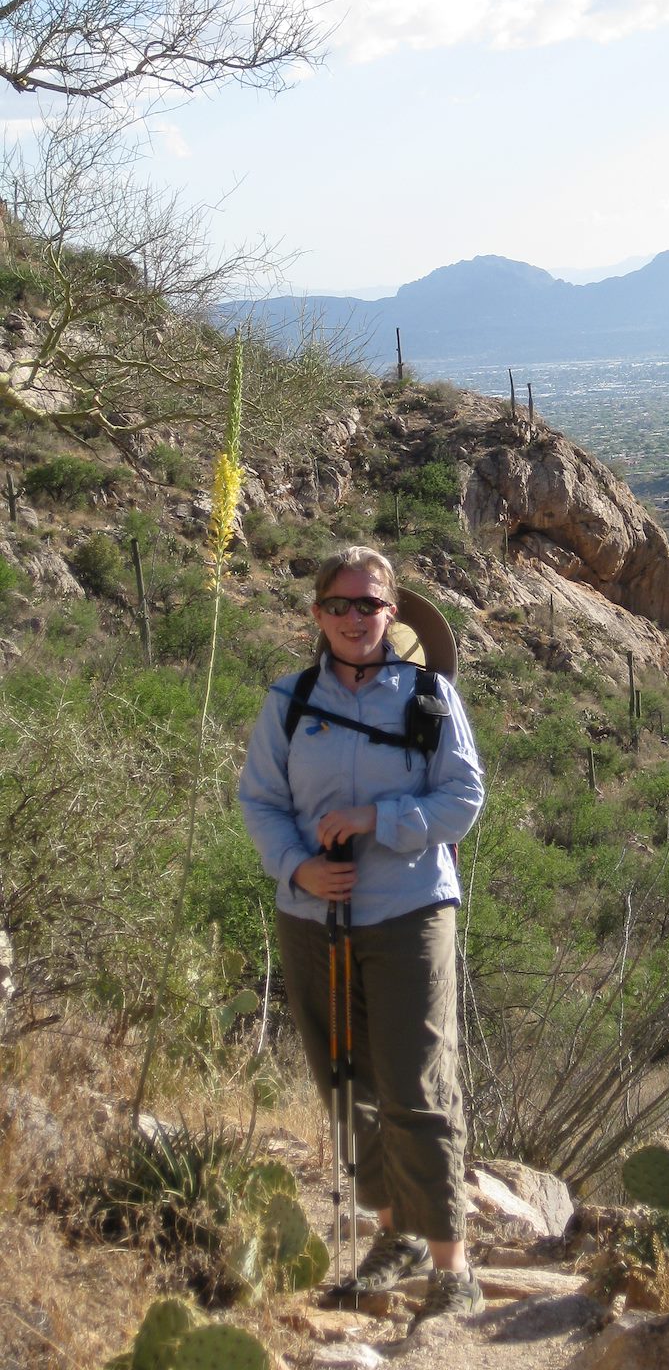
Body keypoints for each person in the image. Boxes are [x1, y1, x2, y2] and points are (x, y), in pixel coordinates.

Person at [239, 545, 486, 1327]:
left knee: (418, 1084)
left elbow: (463, 799)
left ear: (392, 613)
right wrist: (298, 869)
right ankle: (394, 1234)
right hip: (313, 917)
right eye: (339, 605)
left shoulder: (430, 698)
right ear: (318, 614)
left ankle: (452, 1266)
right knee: (346, 1084)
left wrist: (380, 820)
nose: (354, 618)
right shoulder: (289, 701)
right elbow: (259, 800)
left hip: (410, 909)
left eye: (369, 604)